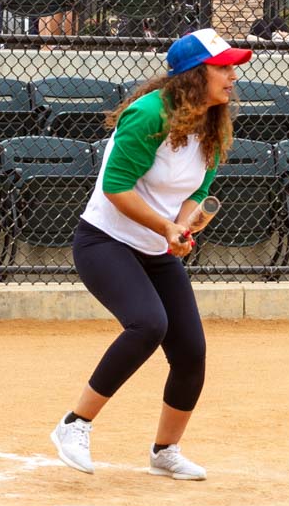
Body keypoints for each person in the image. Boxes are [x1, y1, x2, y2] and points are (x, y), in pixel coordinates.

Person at [49, 29, 252, 480]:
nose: (232, 76)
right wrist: (165, 228)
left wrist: (183, 225)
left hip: (156, 248)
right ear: (194, 74)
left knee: (191, 351)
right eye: (223, 68)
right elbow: (115, 187)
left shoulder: (212, 122)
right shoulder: (148, 115)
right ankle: (74, 424)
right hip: (105, 242)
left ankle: (165, 451)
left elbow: (197, 188)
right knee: (147, 324)